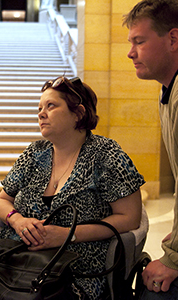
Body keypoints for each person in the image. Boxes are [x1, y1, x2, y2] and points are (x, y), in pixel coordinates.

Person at [0, 76, 144, 300]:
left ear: (78, 113)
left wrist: (68, 235)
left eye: (50, 106)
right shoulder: (34, 153)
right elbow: (2, 200)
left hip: (76, 267)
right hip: (16, 262)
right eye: (40, 107)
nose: (41, 113)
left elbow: (130, 217)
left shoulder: (106, 154)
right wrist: (17, 220)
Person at [123, 0, 178, 298]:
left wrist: (174, 257)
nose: (130, 53)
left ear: (173, 39)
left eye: (139, 41)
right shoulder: (167, 91)